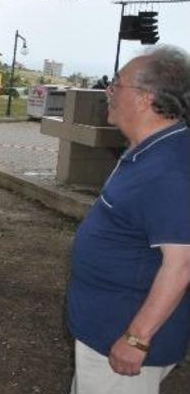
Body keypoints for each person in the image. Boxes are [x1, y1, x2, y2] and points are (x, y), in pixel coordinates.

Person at [66, 46, 190, 394]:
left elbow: (181, 265)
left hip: (123, 344)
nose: (108, 91)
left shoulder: (171, 169)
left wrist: (137, 339)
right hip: (103, 334)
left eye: (116, 85)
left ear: (144, 98)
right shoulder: (147, 151)